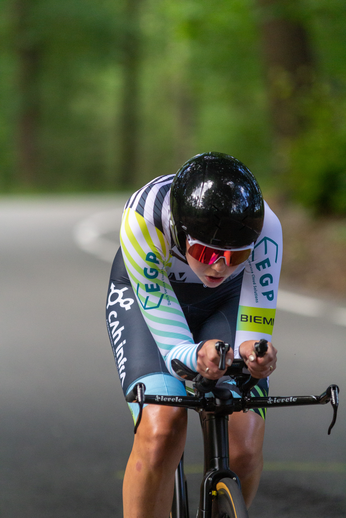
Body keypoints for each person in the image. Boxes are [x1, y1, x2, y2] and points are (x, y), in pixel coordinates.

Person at [106, 151, 282, 517]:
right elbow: (174, 350)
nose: (219, 265)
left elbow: (253, 331)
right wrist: (195, 356)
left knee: (244, 444)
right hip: (151, 298)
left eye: (236, 257)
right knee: (161, 430)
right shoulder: (144, 218)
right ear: (181, 231)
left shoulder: (267, 228)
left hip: (225, 302)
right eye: (206, 251)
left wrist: (255, 355)